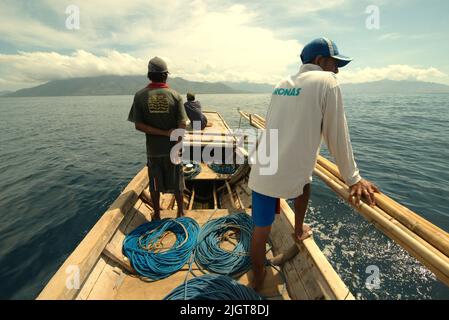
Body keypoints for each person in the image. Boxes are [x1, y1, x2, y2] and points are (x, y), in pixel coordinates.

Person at [248, 37, 380, 290]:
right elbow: (337, 134)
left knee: (260, 231)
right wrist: (353, 178)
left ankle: (257, 277)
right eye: (335, 63)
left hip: (263, 167)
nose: (338, 70)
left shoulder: (282, 83)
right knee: (304, 184)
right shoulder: (327, 81)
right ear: (320, 61)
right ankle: (298, 231)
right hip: (291, 171)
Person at [127, 56, 188, 219]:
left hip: (153, 151)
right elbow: (182, 124)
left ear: (149, 75)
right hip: (173, 151)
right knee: (177, 182)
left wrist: (162, 133)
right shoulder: (175, 96)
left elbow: (138, 125)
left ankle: (157, 214)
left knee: (154, 184)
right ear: (165, 75)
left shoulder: (140, 96)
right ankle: (180, 212)